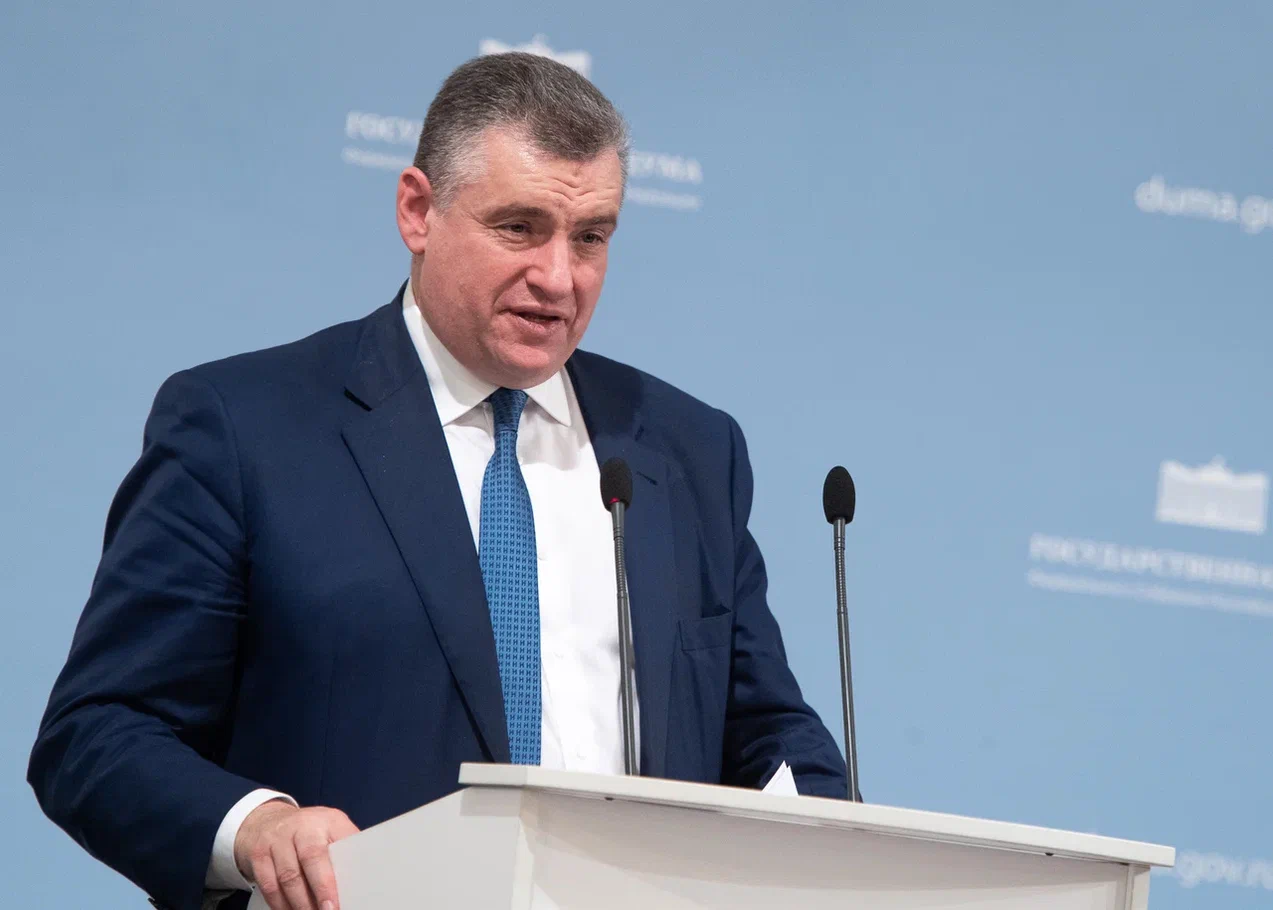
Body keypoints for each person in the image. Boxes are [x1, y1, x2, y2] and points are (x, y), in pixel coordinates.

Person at [28, 52, 846, 910]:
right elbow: (100, 734)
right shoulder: (244, 428)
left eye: (590, 236)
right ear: (417, 211)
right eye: (519, 227)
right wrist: (261, 829)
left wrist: (836, 841)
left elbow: (765, 735)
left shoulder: (687, 449)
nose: (558, 277)